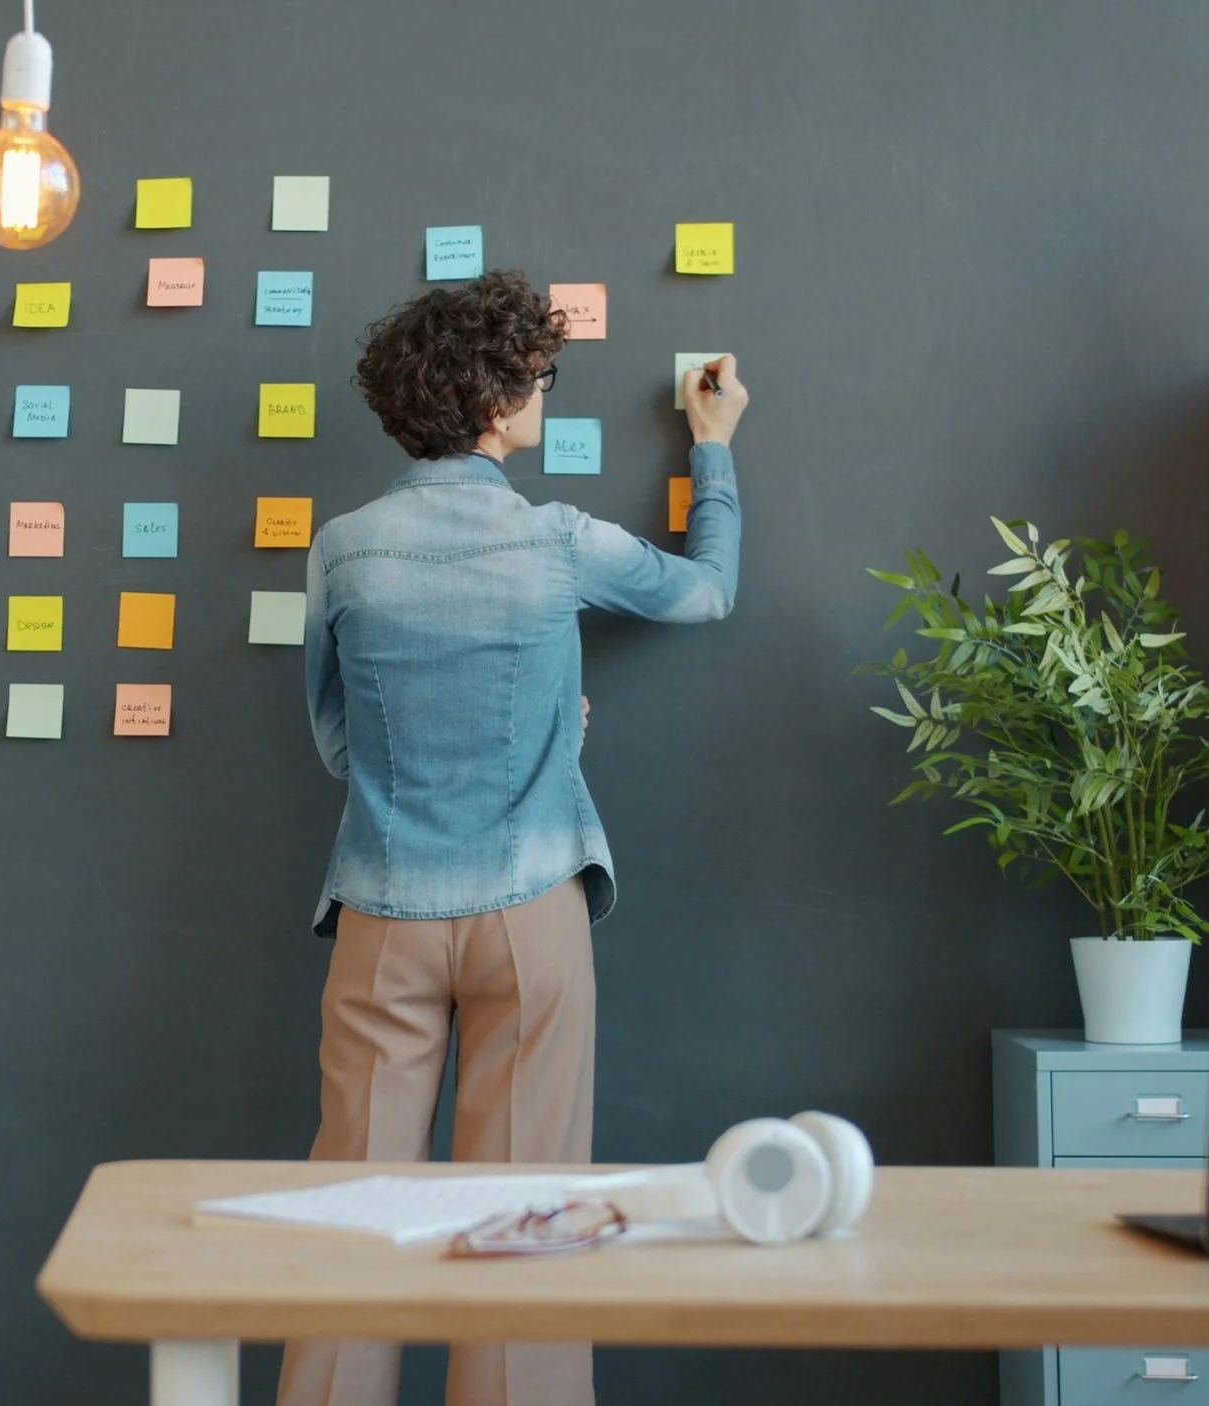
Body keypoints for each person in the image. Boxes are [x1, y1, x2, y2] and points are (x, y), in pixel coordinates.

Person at [279, 270, 747, 1406]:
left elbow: (337, 742)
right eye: (536, 378)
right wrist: (712, 447)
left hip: (382, 916)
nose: (541, 393)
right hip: (530, 916)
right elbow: (708, 593)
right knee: (525, 1226)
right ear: (496, 404)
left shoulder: (344, 548)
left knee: (354, 1224)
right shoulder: (558, 538)